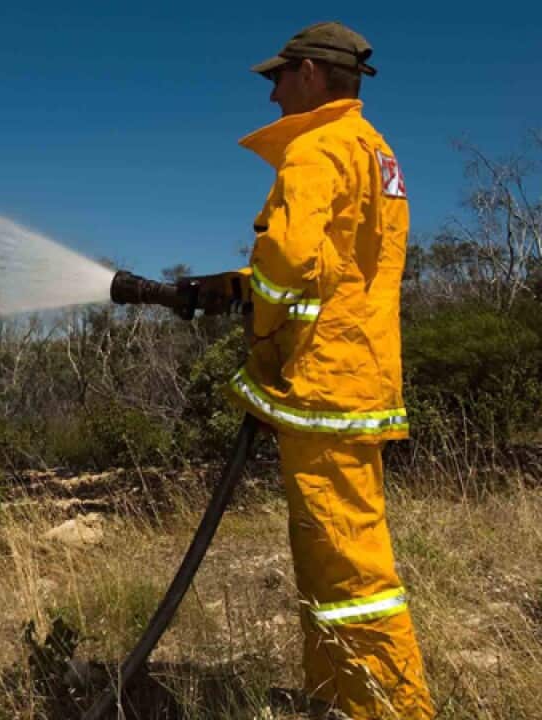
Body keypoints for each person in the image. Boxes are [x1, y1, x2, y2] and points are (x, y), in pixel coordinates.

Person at [206, 21, 433, 719]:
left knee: (349, 566)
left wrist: (264, 336)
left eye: (278, 78)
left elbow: (291, 263)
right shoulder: (376, 154)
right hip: (359, 379)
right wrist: (233, 285)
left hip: (322, 385)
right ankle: (338, 693)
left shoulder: (316, 148)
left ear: (309, 74)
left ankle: (388, 708)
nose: (272, 95)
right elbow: (336, 267)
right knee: (334, 559)